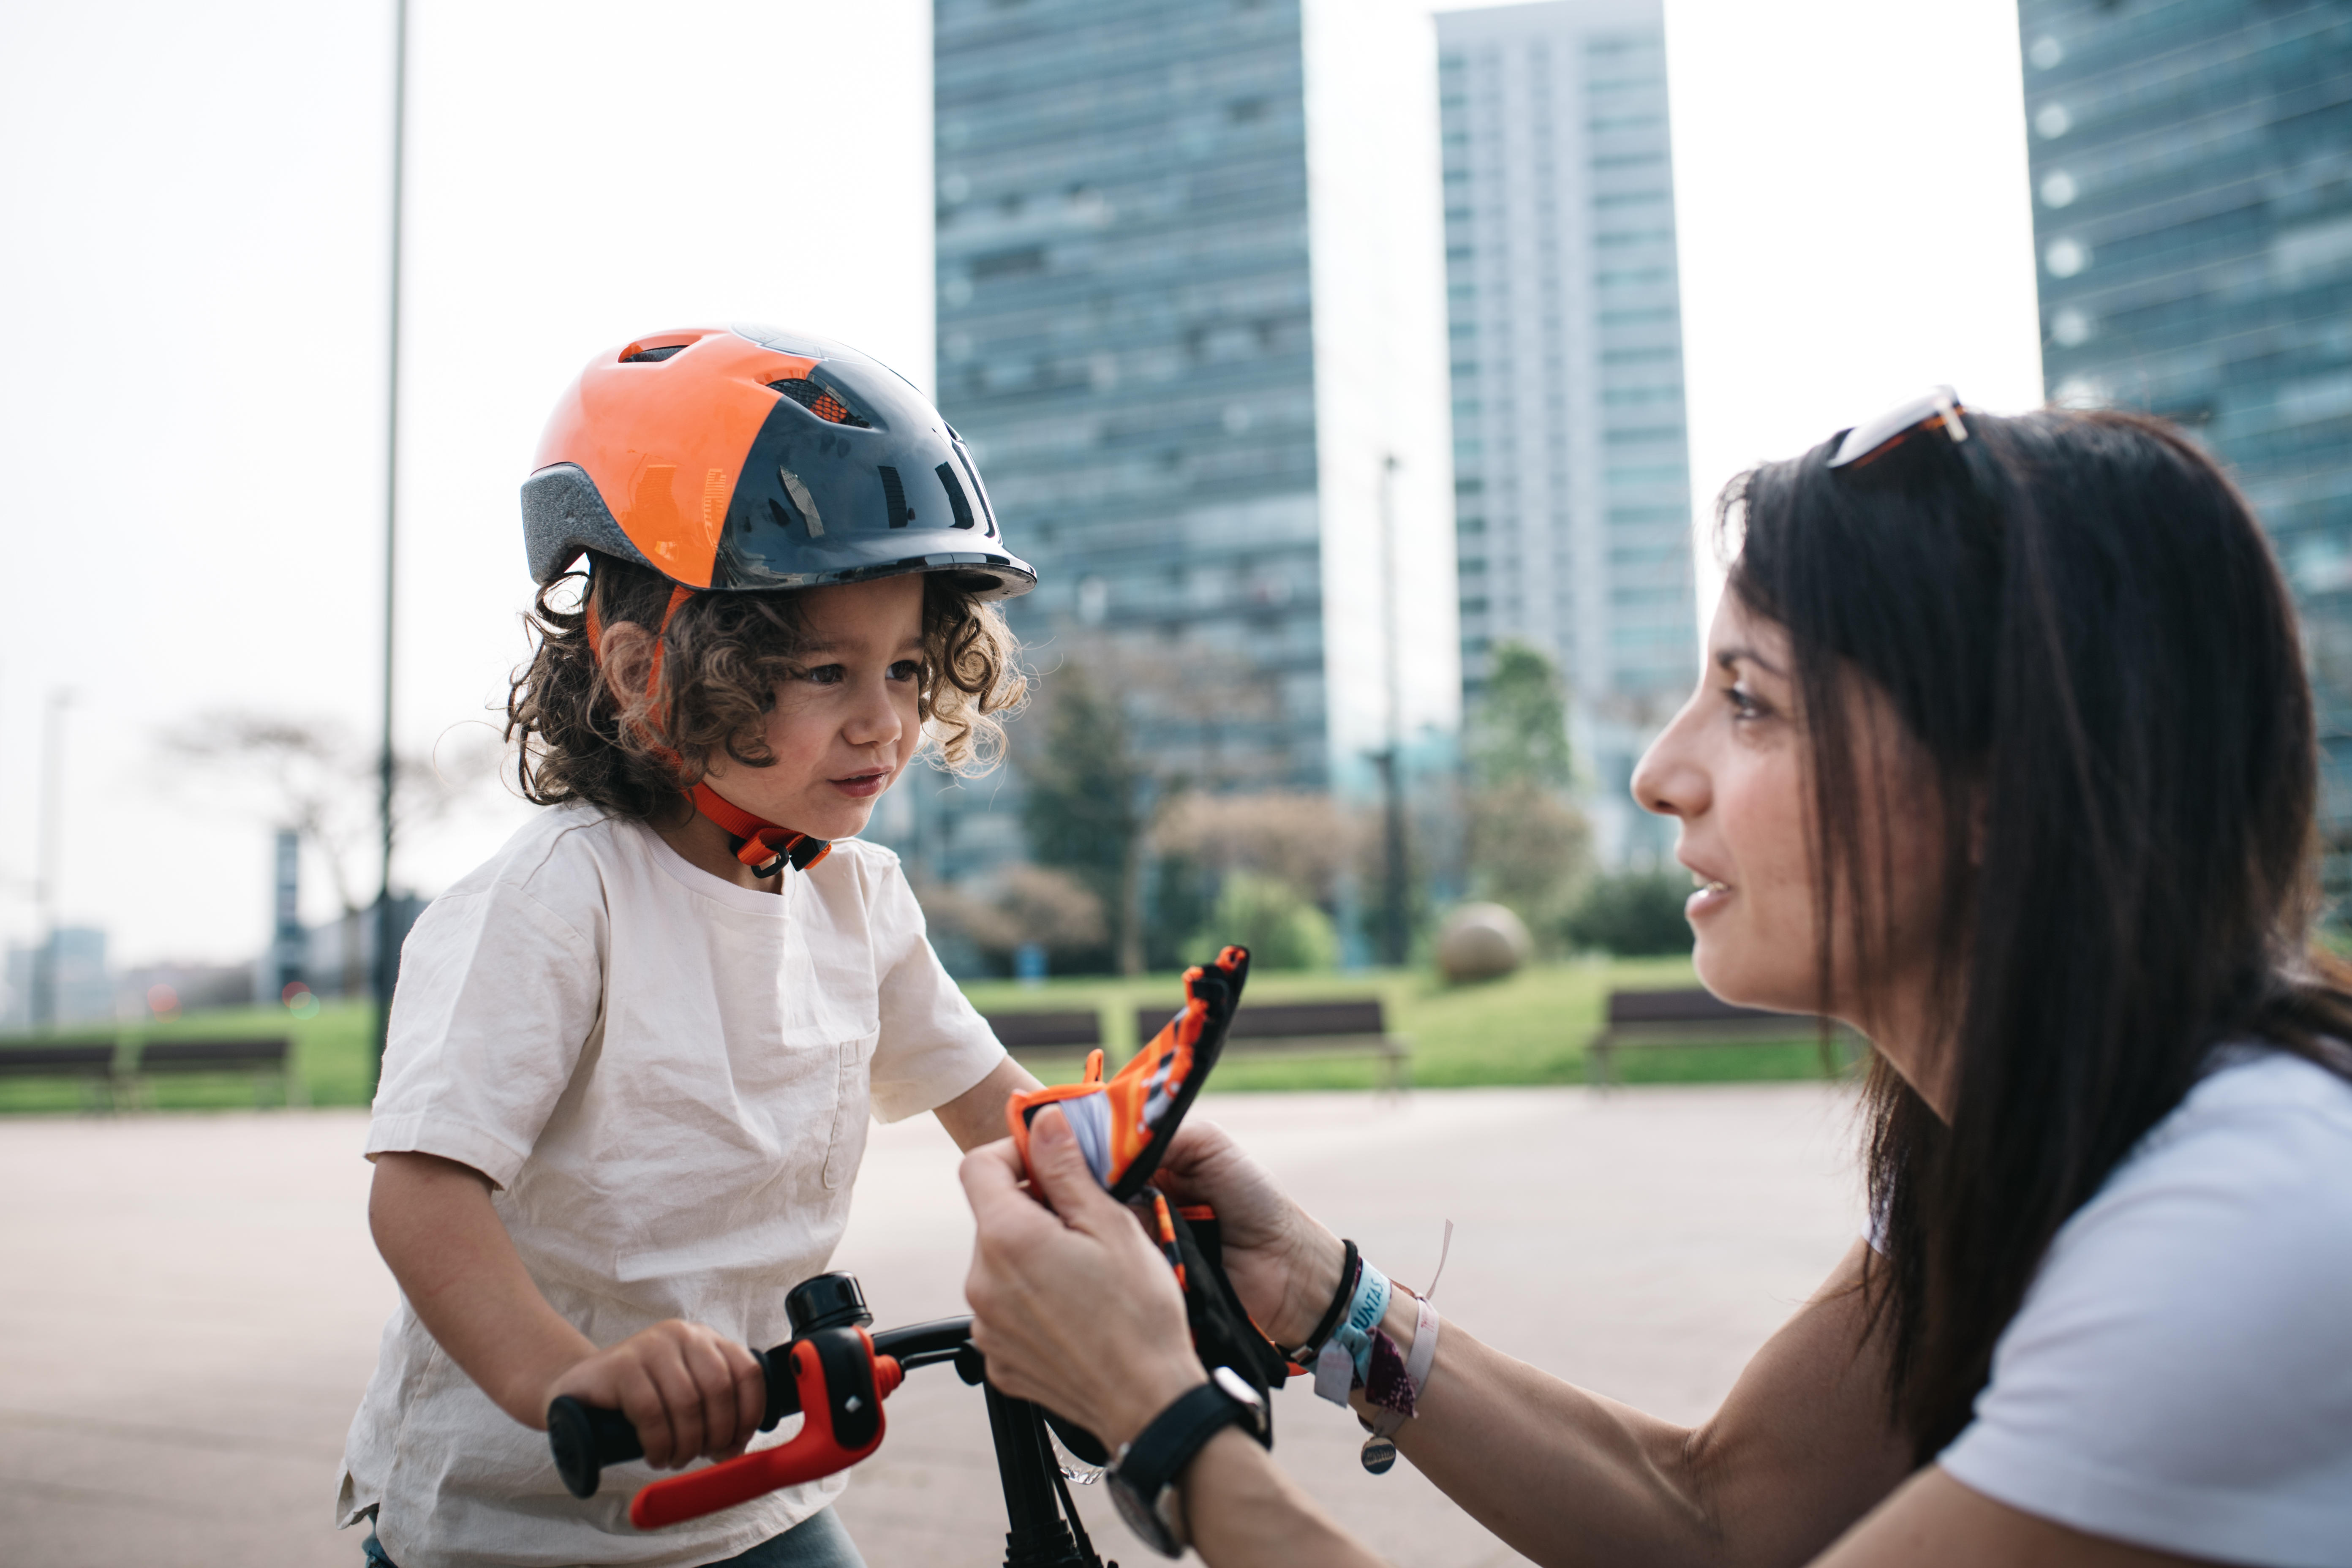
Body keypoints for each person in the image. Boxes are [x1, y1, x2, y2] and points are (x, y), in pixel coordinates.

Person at [961, 396, 2352, 1568]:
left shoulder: (2239, 1231)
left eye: (1749, 701)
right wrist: (1328, 1301)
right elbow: (1722, 1521)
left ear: (2008, 780)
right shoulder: (2020, 1138)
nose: (1659, 771)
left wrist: (1161, 1419)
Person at [338, 324, 1043, 1568]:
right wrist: (576, 1375)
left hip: (752, 1484)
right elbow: (423, 1194)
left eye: (908, 666)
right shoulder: (564, 901)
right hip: (521, 1520)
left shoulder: (858, 899)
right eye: (826, 670)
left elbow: (1001, 1110)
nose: (885, 719)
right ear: (649, 672)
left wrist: (1137, 1175)